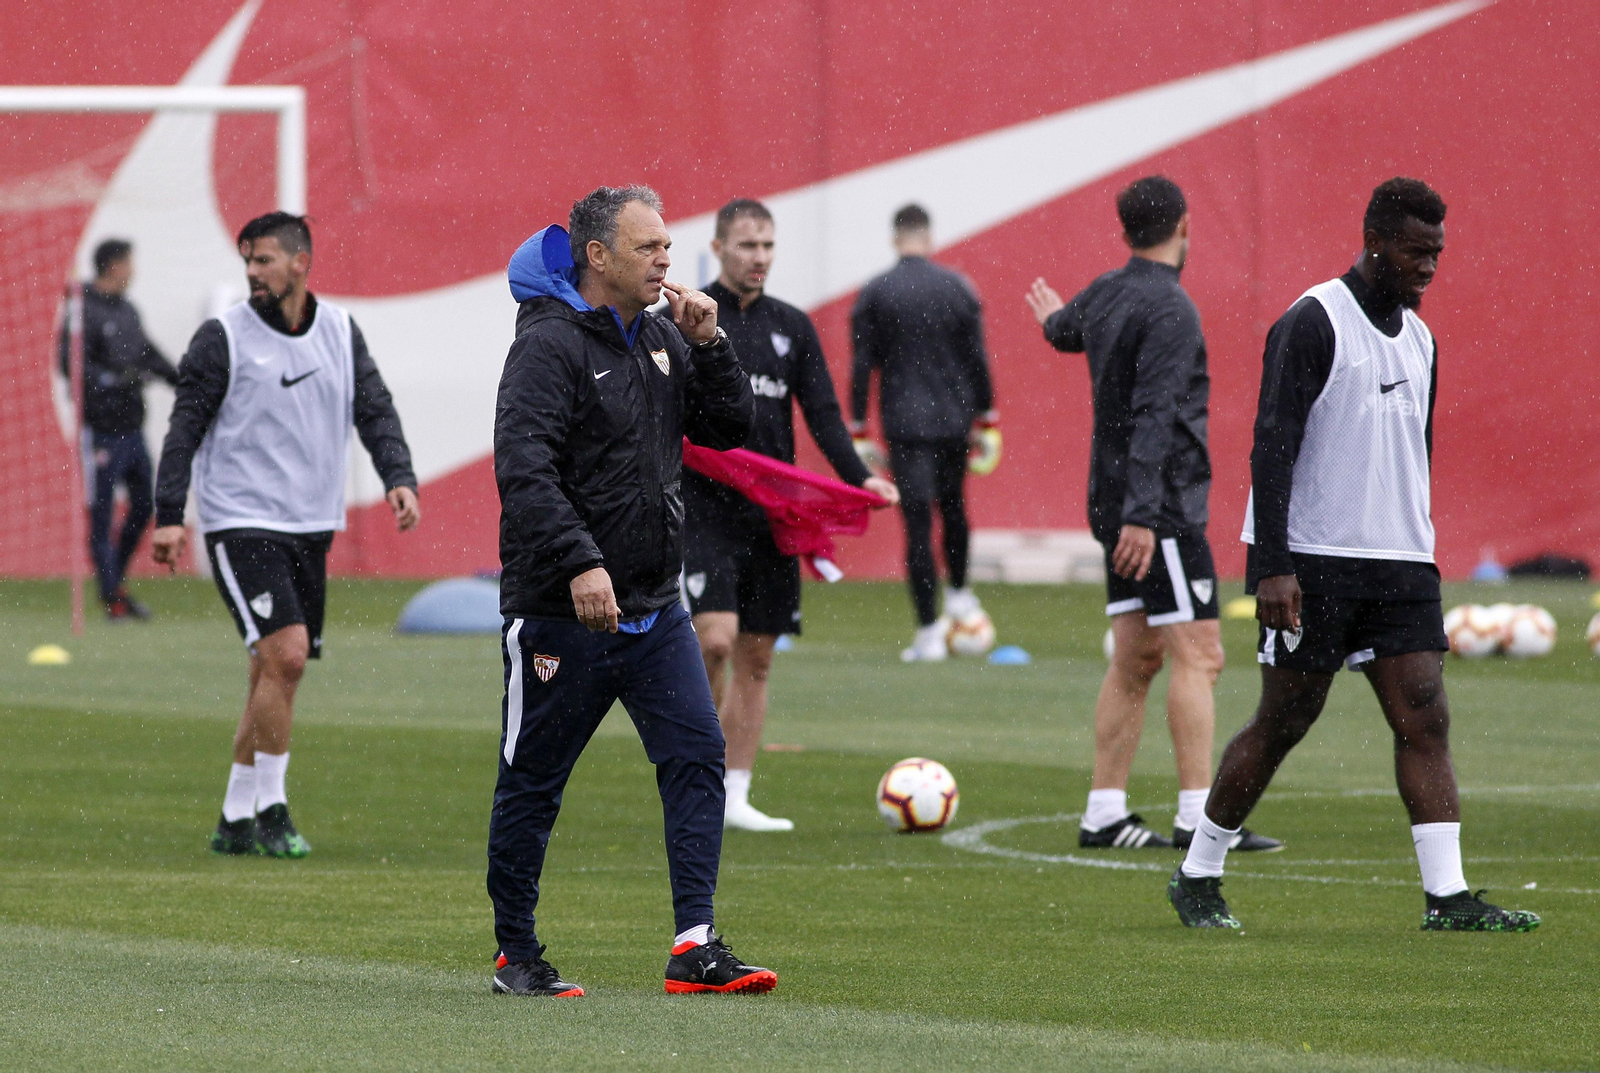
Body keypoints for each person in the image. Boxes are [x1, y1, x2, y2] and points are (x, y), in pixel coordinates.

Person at [1167, 178, 1539, 932]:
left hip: (1401, 562)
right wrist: (1271, 563)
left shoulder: (1425, 338)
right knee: (1287, 717)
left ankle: (1448, 897)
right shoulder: (1313, 322)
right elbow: (1272, 447)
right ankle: (1198, 871)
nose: (1430, 265)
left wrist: (1423, 548)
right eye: (1415, 250)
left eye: (1438, 251)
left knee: (1425, 716)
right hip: (1312, 558)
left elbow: (1413, 455)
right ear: (1376, 242)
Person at [489, 185, 777, 998]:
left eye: (666, 245)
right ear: (598, 256)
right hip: (559, 612)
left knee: (697, 755)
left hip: (654, 610)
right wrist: (582, 563)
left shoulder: (659, 337)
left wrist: (713, 346)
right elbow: (525, 469)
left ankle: (695, 942)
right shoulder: (547, 347)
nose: (666, 259)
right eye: (649, 246)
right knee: (533, 783)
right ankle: (517, 951)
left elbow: (729, 428)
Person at [151, 212, 420, 861]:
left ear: (300, 262)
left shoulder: (338, 331)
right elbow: (184, 427)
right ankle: (273, 809)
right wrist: (169, 512)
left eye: (264, 260)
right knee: (289, 655)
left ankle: (234, 816)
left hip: (309, 524)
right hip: (241, 521)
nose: (252, 272)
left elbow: (374, 406)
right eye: (247, 261)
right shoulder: (222, 338)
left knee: (271, 669)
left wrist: (398, 474)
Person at [1026, 176, 1280, 854]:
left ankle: (1104, 813)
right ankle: (1200, 819)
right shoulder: (1171, 309)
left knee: (1137, 655)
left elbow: (1066, 331)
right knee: (1199, 653)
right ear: (1185, 224)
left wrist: (1051, 317)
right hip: (1156, 509)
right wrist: (1144, 514)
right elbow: (1157, 413)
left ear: (1126, 228)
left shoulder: (1108, 290)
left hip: (1114, 500)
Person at [686, 198, 900, 832]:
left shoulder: (793, 327)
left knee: (757, 656)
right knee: (713, 639)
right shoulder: (690, 315)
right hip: (705, 506)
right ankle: (694, 772)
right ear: (720, 247)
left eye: (768, 246)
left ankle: (734, 795)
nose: (759, 258)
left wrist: (861, 479)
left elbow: (825, 417)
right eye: (747, 245)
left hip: (774, 515)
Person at [850, 204, 996, 662]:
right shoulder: (958, 287)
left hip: (905, 423)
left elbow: (861, 367)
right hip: (954, 420)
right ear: (929, 238)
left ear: (896, 239)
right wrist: (987, 417)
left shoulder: (876, 292)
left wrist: (857, 427)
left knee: (916, 524)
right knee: (954, 509)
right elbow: (978, 358)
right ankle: (958, 595)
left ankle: (930, 632)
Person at [59, 239, 180, 620]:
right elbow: (70, 364)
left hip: (133, 429)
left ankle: (117, 581)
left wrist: (181, 379)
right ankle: (113, 597)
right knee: (102, 514)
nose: (133, 270)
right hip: (100, 432)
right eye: (129, 263)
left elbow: (147, 353)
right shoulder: (82, 310)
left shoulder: (127, 310)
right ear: (113, 265)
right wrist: (111, 381)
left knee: (145, 506)